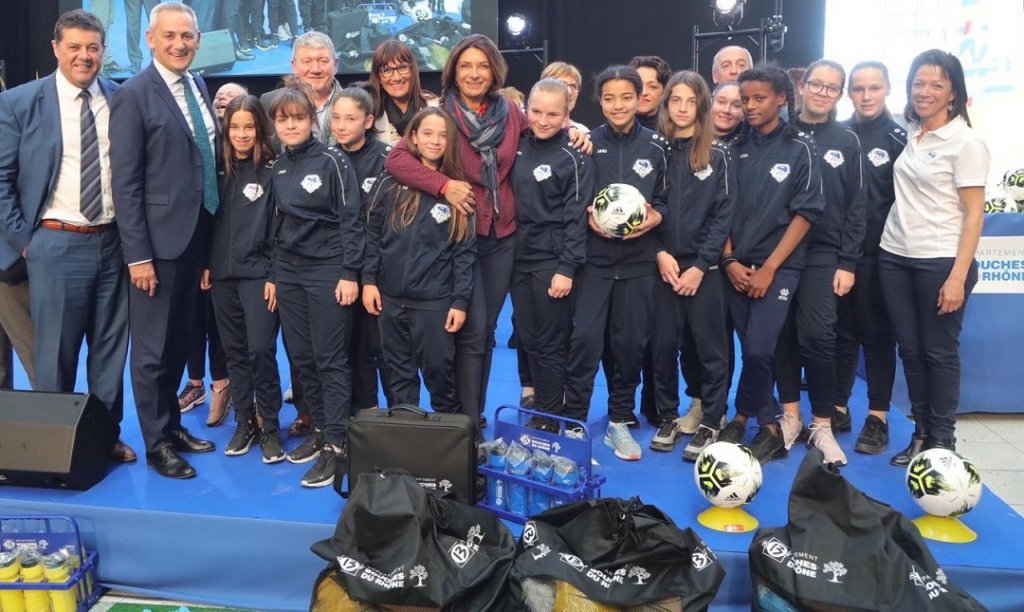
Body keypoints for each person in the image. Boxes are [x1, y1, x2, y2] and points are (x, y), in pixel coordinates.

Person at [0, 9, 130, 460]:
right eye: (74, 46)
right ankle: (54, 446)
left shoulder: (121, 98)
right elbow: (1, 179)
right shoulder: (20, 102)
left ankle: (103, 438)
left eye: (92, 47)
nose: (84, 55)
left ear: (103, 51)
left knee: (110, 352)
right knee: (54, 356)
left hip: (113, 241)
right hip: (53, 244)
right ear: (55, 49)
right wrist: (25, 243)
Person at [384, 34, 528, 430]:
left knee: (483, 332)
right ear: (453, 71)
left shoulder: (512, 113)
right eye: (465, 65)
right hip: (455, 237)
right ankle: (459, 419)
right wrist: (445, 186)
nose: (474, 73)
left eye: (482, 65)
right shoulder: (438, 111)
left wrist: (577, 132)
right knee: (470, 328)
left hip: (500, 237)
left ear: (495, 70)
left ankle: (471, 418)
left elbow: (545, 134)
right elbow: (396, 160)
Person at [109, 1, 218, 479]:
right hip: (155, 247)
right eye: (170, 36)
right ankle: (156, 443)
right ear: (151, 39)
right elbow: (126, 184)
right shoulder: (133, 94)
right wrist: (138, 257)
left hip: (196, 239)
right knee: (152, 350)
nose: (180, 44)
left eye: (187, 36)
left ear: (197, 40)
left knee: (178, 342)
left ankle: (172, 425)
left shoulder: (197, 83)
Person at [880, 49, 987, 465]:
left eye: (936, 84)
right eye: (919, 83)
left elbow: (974, 213)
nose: (925, 91)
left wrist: (958, 276)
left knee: (939, 352)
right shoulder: (913, 131)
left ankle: (943, 443)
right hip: (895, 255)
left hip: (940, 261)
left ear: (954, 94)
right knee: (910, 350)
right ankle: (921, 433)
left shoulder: (965, 141)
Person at [717, 64, 824, 465]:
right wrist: (728, 260)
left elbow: (806, 213)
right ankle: (752, 418)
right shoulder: (733, 149)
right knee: (750, 348)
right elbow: (721, 210)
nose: (750, 106)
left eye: (759, 98)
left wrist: (769, 269)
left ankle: (764, 424)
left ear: (782, 98)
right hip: (735, 267)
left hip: (778, 268)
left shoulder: (801, 148)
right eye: (745, 99)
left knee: (761, 349)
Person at [563, 65, 667, 461]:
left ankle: (619, 421)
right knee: (586, 339)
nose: (618, 105)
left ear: (640, 99)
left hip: (639, 263)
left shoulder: (658, 146)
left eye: (627, 96)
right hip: (595, 262)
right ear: (599, 101)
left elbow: (667, 201)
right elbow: (573, 198)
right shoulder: (585, 143)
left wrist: (657, 217)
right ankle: (575, 419)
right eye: (609, 98)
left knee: (628, 344)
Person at [270, 84, 363, 488]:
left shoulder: (333, 161)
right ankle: (323, 430)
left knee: (330, 359)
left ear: (312, 121)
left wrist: (349, 273)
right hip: (288, 274)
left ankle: (339, 444)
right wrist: (275, 274)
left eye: (299, 118)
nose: (291, 125)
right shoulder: (277, 165)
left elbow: (351, 220)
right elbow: (277, 225)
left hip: (328, 271)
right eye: (283, 119)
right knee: (302, 359)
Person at [773, 59, 865, 466]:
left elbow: (857, 206)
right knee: (782, 334)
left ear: (840, 95)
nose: (823, 93)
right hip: (779, 253)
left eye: (832, 88)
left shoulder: (846, 140)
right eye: (817, 85)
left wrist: (848, 261)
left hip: (825, 255)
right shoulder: (780, 132)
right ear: (802, 86)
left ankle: (822, 424)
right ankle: (790, 416)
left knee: (818, 336)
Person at [363, 107, 475, 412]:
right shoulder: (389, 184)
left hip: (434, 303)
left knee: (439, 374)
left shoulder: (458, 191)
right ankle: (404, 442)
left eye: (442, 135)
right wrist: (369, 281)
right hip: (390, 299)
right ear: (413, 137)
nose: (435, 141)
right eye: (427, 133)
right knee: (398, 376)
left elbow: (465, 252)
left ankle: (448, 445)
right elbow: (372, 236)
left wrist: (460, 302)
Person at [648, 70, 733, 461]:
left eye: (690, 101)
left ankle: (711, 418)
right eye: (675, 100)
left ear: (702, 105)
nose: (682, 108)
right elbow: (648, 209)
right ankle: (668, 415)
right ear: (666, 105)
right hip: (664, 267)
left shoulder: (717, 154)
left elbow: (723, 216)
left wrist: (701, 266)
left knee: (710, 350)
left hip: (706, 272)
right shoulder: (656, 151)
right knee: (664, 347)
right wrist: (660, 253)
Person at [203, 94, 285, 463]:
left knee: (261, 350)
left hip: (259, 276)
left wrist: (274, 273)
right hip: (222, 276)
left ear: (260, 129)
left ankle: (268, 424)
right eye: (234, 126)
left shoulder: (272, 170)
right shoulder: (215, 172)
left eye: (248, 126)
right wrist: (208, 263)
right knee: (234, 351)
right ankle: (243, 422)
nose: (241, 133)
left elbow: (280, 228)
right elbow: (207, 222)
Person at [509, 78, 594, 432]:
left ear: (567, 115)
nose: (543, 120)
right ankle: (541, 404)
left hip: (552, 262)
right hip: (517, 259)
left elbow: (578, 216)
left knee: (550, 343)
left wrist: (567, 268)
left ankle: (549, 415)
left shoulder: (575, 156)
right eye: (536, 112)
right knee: (527, 338)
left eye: (553, 114)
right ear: (526, 109)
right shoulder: (515, 144)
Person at [835, 60, 906, 455]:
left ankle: (877, 417)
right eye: (858, 89)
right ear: (849, 93)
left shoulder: (899, 138)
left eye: (873, 88)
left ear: (887, 89)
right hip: (841, 254)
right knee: (842, 333)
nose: (866, 96)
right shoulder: (839, 134)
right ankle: (839, 407)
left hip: (883, 253)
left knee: (878, 336)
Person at [329, 86, 394, 410]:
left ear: (368, 121)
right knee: (349, 348)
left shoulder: (388, 159)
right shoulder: (326, 158)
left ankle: (399, 417)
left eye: (350, 119)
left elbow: (387, 224)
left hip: (378, 272)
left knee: (382, 348)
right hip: (338, 270)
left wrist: (369, 275)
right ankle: (364, 414)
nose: (341, 125)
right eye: (336, 118)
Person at [260, 32, 345, 148]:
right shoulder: (269, 102)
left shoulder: (354, 104)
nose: (316, 69)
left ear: (335, 64)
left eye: (323, 61)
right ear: (294, 65)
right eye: (307, 61)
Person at [368, 39, 436, 146]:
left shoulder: (436, 107)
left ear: (412, 70)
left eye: (402, 68)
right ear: (379, 77)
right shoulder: (370, 115)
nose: (396, 77)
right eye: (387, 70)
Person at [540, 61, 588, 132]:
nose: (569, 92)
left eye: (573, 86)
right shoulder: (531, 128)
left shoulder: (583, 131)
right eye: (562, 85)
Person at [628, 55, 671, 131]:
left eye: (652, 87)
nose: (644, 92)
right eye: (639, 85)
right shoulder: (612, 131)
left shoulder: (674, 133)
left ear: (664, 92)